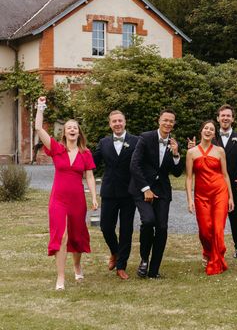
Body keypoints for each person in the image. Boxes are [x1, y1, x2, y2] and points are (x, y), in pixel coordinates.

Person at [35, 96, 98, 290]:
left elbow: (89, 176)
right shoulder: (56, 148)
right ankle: (60, 278)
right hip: (58, 199)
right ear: (64, 132)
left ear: (79, 133)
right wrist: (40, 107)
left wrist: (94, 197)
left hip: (78, 200)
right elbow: (38, 128)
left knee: (77, 236)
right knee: (60, 236)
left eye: (75, 127)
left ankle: (77, 265)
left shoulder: (85, 153)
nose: (72, 129)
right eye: (69, 127)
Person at [129, 109, 184, 278]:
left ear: (174, 124)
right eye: (165, 120)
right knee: (148, 221)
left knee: (162, 227)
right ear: (159, 121)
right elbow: (134, 164)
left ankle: (154, 269)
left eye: (171, 121)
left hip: (163, 191)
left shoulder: (174, 143)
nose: (168, 123)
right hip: (142, 188)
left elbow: (176, 173)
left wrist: (176, 154)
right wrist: (146, 188)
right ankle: (144, 259)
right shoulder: (145, 138)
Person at [93, 110, 139, 280]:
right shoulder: (104, 142)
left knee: (126, 230)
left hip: (129, 192)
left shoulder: (135, 141)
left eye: (120, 120)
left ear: (125, 122)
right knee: (106, 227)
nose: (117, 123)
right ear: (110, 124)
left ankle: (122, 266)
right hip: (109, 191)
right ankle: (115, 252)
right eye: (114, 121)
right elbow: (93, 161)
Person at [185, 120, 234, 274]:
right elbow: (189, 178)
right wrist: (189, 199)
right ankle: (208, 252)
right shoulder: (191, 152)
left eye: (211, 129)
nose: (208, 131)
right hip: (201, 195)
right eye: (206, 128)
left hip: (220, 192)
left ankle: (216, 261)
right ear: (201, 131)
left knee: (218, 229)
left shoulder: (220, 151)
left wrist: (230, 197)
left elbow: (225, 175)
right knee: (205, 230)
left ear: (214, 134)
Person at [216, 105, 237, 258]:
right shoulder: (210, 137)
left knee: (235, 215)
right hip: (214, 184)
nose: (225, 118)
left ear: (233, 119)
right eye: (223, 115)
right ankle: (216, 247)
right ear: (218, 118)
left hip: (235, 183)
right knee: (216, 217)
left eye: (228, 116)